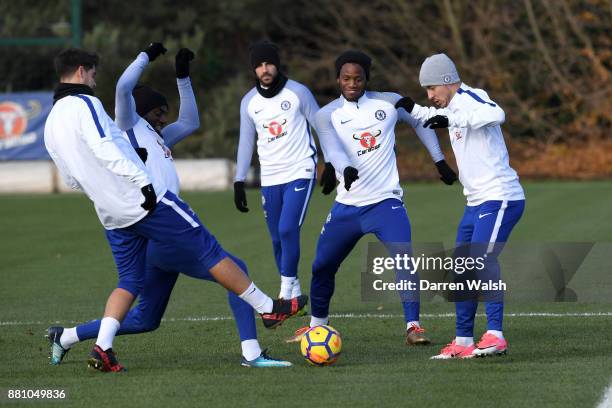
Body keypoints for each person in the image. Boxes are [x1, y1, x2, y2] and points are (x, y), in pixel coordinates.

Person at [44, 47, 307, 372]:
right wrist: (144, 56)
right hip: (149, 212)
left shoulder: (149, 135)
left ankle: (76, 339)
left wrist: (182, 76)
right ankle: (263, 322)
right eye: (158, 111)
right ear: (83, 71)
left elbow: (190, 121)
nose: (163, 117)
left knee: (142, 310)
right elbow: (118, 104)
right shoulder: (122, 122)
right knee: (222, 258)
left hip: (117, 215)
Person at [286, 50, 457, 345]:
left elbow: (418, 121)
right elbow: (332, 150)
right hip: (347, 207)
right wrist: (344, 168)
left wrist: (439, 160)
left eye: (358, 78)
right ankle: (317, 326)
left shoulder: (388, 102)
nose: (352, 83)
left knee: (405, 259)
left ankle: (413, 327)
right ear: (338, 79)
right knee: (321, 266)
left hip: (386, 203)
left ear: (367, 79)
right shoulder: (326, 115)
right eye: (346, 78)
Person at [396, 53, 525, 359]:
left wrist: (451, 118)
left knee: (481, 261)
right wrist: (412, 107)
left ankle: (495, 336)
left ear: (446, 82)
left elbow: (498, 114)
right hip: (475, 202)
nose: (430, 95)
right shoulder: (450, 106)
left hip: (501, 196)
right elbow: (434, 115)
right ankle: (464, 341)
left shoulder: (472, 97)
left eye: (432, 89)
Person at [234, 41, 335, 300]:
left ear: (277, 65)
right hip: (270, 177)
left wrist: (331, 163)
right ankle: (296, 294)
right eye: (259, 65)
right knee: (277, 238)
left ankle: (285, 293)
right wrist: (239, 181)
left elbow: (321, 126)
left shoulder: (298, 92)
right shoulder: (249, 102)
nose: (265, 69)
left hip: (300, 170)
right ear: (254, 70)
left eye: (269, 63)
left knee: (288, 229)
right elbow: (246, 142)